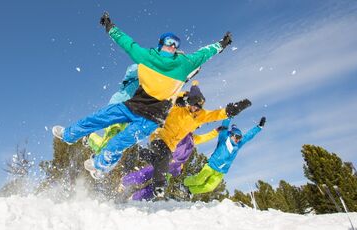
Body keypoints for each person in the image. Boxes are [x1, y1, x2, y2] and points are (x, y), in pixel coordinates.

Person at [52, 12, 233, 179]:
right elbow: (127, 43)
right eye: (170, 42)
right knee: (99, 117)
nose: (173, 46)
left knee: (120, 142)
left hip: (151, 119)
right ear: (161, 43)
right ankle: (69, 134)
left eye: (176, 44)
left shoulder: (184, 64)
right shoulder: (147, 56)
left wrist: (221, 45)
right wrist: (110, 27)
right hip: (132, 106)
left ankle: (100, 164)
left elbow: (205, 53)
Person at [137, 81, 252, 197]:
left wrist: (230, 111)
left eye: (198, 107)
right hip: (159, 136)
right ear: (189, 102)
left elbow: (216, 115)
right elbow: (167, 99)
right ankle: (158, 185)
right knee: (164, 158)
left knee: (162, 160)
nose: (195, 109)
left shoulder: (200, 118)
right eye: (193, 105)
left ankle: (141, 154)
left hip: (170, 148)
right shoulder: (178, 108)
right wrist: (181, 97)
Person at [120, 127, 221, 201]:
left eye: (197, 127)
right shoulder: (179, 131)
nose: (195, 128)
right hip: (165, 161)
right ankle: (124, 183)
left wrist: (215, 131)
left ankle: (135, 198)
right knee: (147, 173)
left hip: (174, 168)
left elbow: (205, 137)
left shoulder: (193, 139)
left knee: (159, 187)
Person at [184, 117, 266, 194]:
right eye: (236, 137)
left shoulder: (238, 145)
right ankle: (185, 181)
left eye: (240, 138)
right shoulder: (224, 138)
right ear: (231, 135)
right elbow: (225, 126)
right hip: (211, 166)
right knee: (199, 180)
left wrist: (259, 127)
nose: (238, 139)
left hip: (221, 172)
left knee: (209, 188)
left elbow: (248, 135)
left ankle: (190, 191)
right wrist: (229, 116)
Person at [84, 64, 138, 153]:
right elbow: (130, 71)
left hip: (126, 115)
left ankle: (93, 143)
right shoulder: (137, 77)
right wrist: (144, 67)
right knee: (112, 139)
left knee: (115, 141)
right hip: (117, 108)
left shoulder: (149, 85)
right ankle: (97, 150)